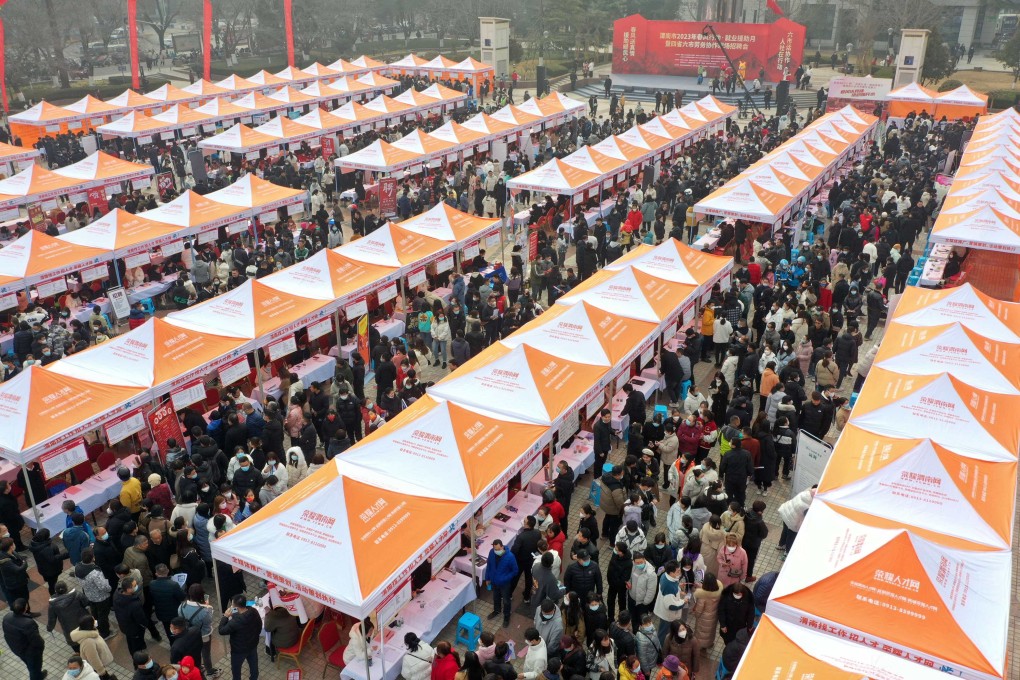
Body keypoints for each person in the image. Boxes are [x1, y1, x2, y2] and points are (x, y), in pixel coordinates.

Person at [218, 594, 262, 680]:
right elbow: (259, 625)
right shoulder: (253, 611)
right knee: (254, 666)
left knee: (236, 670)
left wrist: (225, 616)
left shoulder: (235, 622)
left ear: (236, 607)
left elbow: (221, 631)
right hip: (252, 645)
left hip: (238, 650)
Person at [3, 598, 46, 680]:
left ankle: (38, 675)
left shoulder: (7, 617)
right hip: (30, 652)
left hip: (16, 649)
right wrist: (41, 645)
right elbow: (36, 640)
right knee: (34, 669)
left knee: (30, 665)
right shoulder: (28, 623)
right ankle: (37, 677)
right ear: (25, 608)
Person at [178, 584, 216, 676]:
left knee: (194, 652)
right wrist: (208, 607)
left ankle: (198, 667)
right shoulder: (204, 611)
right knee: (206, 653)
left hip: (188, 634)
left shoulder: (181, 607)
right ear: (201, 595)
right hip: (203, 635)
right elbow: (209, 621)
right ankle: (210, 671)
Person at [484, 539, 518, 627]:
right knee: (496, 597)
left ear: (502, 547)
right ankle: (497, 610)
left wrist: (505, 578)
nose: (496, 551)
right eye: (495, 549)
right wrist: (487, 578)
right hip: (494, 582)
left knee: (506, 601)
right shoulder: (492, 552)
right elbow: (489, 566)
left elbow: (515, 571)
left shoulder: (510, 556)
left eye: (498, 549)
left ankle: (507, 617)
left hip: (505, 584)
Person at [652, 560, 686, 644]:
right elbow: (671, 606)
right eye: (678, 571)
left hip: (662, 609)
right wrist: (683, 601)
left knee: (663, 630)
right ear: (671, 572)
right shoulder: (669, 587)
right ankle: (661, 649)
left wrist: (678, 588)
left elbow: (673, 586)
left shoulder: (665, 575)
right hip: (667, 615)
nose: (680, 572)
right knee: (663, 633)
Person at [113, 576, 149, 654]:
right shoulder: (134, 604)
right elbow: (140, 619)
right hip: (134, 628)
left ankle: (141, 646)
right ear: (128, 589)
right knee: (134, 645)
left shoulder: (117, 594)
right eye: (135, 585)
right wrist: (145, 625)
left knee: (131, 639)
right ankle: (136, 656)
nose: (137, 586)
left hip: (124, 625)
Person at [47, 581, 89, 648]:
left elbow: (52, 619)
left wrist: (49, 628)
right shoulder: (77, 594)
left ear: (56, 591)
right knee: (88, 640)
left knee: (75, 644)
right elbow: (86, 602)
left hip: (69, 628)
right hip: (83, 622)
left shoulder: (53, 604)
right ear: (66, 587)